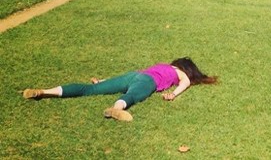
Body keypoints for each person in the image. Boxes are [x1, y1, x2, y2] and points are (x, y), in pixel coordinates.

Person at [22, 57, 217, 122]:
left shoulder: (162, 64)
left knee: (89, 89)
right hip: (148, 81)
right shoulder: (180, 73)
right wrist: (173, 94)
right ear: (188, 69)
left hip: (134, 74)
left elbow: (127, 77)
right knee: (133, 95)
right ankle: (118, 108)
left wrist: (103, 81)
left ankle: (45, 91)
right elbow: (186, 83)